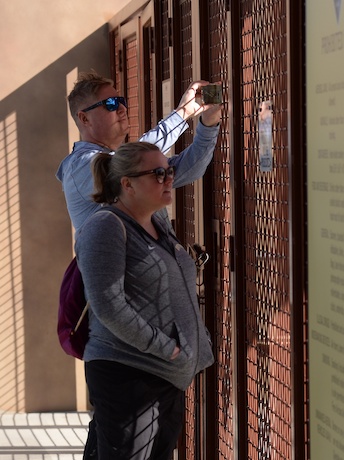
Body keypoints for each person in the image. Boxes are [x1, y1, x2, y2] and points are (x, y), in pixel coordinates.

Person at [74, 142, 215, 459]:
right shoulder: (105, 226)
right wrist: (170, 349)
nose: (168, 179)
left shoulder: (157, 222)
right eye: (158, 173)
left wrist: (194, 344)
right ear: (127, 184)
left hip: (164, 375)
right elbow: (108, 306)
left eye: (169, 171)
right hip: (128, 375)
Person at [56, 71, 222, 230]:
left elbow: (190, 168)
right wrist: (183, 112)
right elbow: (135, 159)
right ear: (84, 118)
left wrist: (209, 124)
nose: (122, 108)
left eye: (121, 101)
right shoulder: (78, 166)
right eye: (111, 104)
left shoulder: (127, 165)